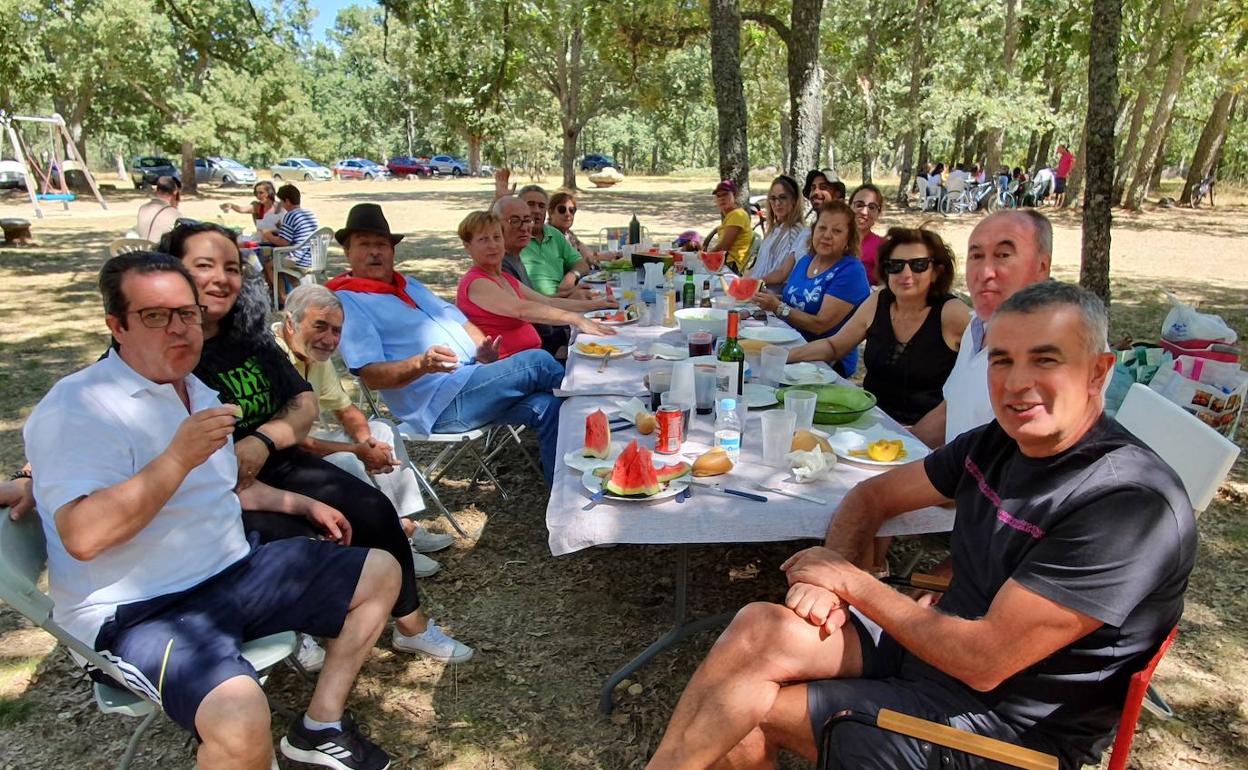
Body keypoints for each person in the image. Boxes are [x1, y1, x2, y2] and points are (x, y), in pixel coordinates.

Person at [646, 280, 1197, 770]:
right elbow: (872, 495)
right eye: (1002, 360)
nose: (1016, 383)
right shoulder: (1000, 442)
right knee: (757, 630)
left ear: (1098, 371)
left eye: (1046, 360)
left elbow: (983, 661)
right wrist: (823, 584)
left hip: (1008, 731)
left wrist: (853, 583)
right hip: (935, 652)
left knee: (748, 711)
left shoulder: (1127, 504)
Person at [25, 251, 401, 770]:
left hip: (232, 569)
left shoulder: (197, 390)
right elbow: (83, 536)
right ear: (117, 326)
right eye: (155, 316)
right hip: (136, 612)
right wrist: (177, 457)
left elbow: (224, 486)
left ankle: (319, 727)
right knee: (241, 716)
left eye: (187, 313)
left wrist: (301, 502)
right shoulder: (79, 407)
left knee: (380, 570)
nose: (179, 329)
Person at [162, 220, 473, 664]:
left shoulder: (248, 338)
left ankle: (412, 626)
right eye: (203, 265)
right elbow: (113, 415)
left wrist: (263, 442)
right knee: (303, 536)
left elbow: (304, 403)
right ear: (171, 271)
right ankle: (305, 632)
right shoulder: (158, 348)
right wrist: (27, 472)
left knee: (374, 508)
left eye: (231, 267)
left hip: (276, 460)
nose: (220, 278)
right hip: (209, 489)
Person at [327, 203, 565, 487]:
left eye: (381, 244)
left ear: (392, 250)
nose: (375, 251)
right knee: (537, 362)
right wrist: (421, 363)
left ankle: (563, 497)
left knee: (551, 407)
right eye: (364, 245)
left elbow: (459, 321)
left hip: (473, 380)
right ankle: (611, 408)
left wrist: (483, 350)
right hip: (441, 403)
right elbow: (371, 375)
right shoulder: (348, 302)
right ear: (348, 253)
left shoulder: (408, 284)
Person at [274, 284, 455, 563]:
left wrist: (366, 441)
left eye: (336, 331)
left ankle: (402, 526)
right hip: (281, 459)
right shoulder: (271, 357)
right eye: (320, 326)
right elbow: (286, 440)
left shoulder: (314, 355)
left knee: (381, 428)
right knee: (348, 462)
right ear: (290, 321)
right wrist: (357, 452)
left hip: (309, 442)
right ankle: (391, 544)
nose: (329, 339)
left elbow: (346, 410)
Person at [787, 227, 969, 424]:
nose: (905, 273)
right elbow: (834, 346)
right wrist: (780, 357)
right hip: (869, 423)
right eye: (896, 265)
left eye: (918, 265)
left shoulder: (951, 313)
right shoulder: (878, 301)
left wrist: (921, 435)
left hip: (923, 438)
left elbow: (972, 388)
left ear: (936, 272)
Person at [910, 209, 1053, 447]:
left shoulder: (1060, 347)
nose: (985, 273)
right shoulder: (977, 325)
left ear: (1041, 267)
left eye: (1003, 255)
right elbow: (951, 412)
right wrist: (896, 447)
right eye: (976, 256)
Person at [456, 210, 615, 360]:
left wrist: (597, 305)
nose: (492, 245)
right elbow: (521, 310)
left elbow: (548, 302)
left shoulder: (504, 278)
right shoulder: (476, 282)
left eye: (497, 237)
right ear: (467, 246)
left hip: (533, 358)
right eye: (483, 239)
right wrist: (575, 319)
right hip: (512, 366)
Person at [752, 202, 871, 376]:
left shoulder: (851, 271)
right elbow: (791, 299)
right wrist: (764, 298)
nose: (827, 235)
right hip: (789, 342)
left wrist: (777, 307)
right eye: (822, 228)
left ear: (848, 239)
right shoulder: (806, 260)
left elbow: (820, 325)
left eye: (837, 231)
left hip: (823, 362)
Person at [495, 195, 576, 357]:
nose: (524, 227)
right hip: (529, 353)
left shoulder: (514, 257)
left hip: (544, 339)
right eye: (515, 221)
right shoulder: (501, 265)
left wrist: (597, 303)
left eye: (527, 220)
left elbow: (546, 301)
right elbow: (529, 311)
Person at [517, 184, 596, 297]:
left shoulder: (554, 235)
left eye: (541, 206)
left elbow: (582, 264)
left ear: (546, 211)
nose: (536, 210)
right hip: (538, 306)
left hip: (562, 301)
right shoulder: (513, 238)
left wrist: (573, 275)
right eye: (530, 204)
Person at [261, 183, 320, 303]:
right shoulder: (309, 214)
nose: (282, 205)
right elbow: (300, 232)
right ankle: (300, 294)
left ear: (287, 201)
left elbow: (283, 242)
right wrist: (281, 229)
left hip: (299, 259)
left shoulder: (290, 215)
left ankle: (282, 298)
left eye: (282, 202)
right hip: (313, 256)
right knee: (282, 265)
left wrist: (267, 235)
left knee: (270, 265)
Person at [750, 175, 809, 290]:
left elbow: (782, 273)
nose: (777, 203)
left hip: (771, 295)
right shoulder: (775, 228)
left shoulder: (795, 233)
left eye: (783, 197)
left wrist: (756, 282)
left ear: (794, 200)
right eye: (773, 198)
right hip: (757, 290)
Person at [706, 179, 755, 275]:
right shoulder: (731, 215)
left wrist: (705, 256)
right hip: (724, 262)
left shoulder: (737, 215)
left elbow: (724, 246)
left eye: (725, 194)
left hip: (730, 265)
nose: (721, 198)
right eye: (718, 196)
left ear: (735, 196)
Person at [547, 190, 604, 265]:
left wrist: (614, 255)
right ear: (551, 212)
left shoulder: (568, 233)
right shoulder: (547, 235)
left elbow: (588, 254)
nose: (568, 214)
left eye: (571, 210)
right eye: (562, 210)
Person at [849, 183, 886, 284]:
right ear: (849, 207)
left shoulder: (882, 246)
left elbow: (883, 285)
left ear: (878, 213)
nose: (864, 212)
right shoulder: (834, 239)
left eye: (872, 207)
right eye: (859, 205)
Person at [134, 175, 183, 242]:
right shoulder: (175, 214)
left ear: (157, 190)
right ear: (175, 192)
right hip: (158, 251)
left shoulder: (142, 208)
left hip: (142, 249)